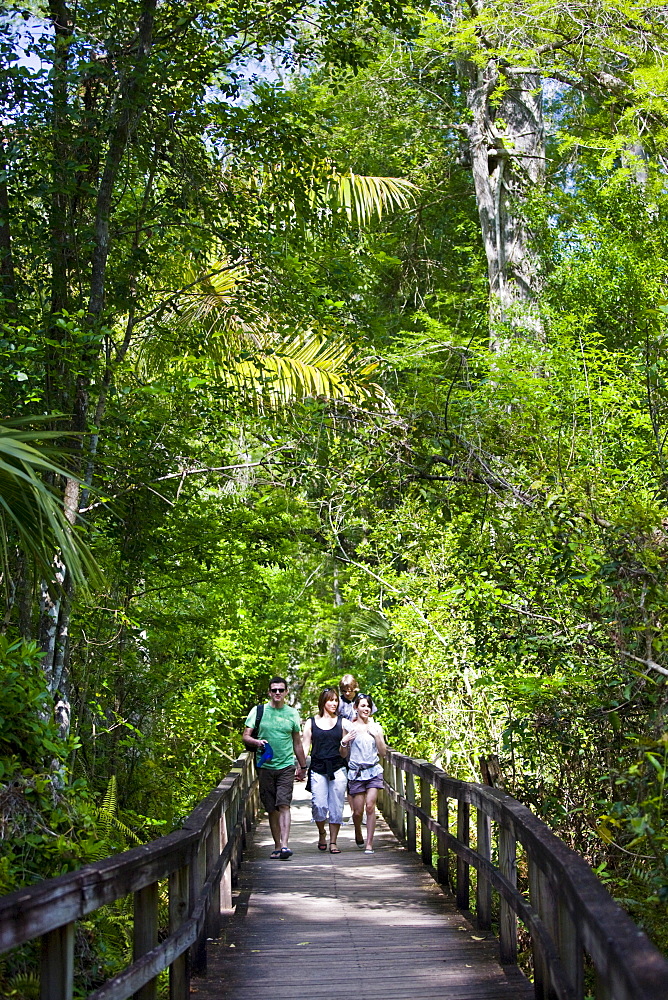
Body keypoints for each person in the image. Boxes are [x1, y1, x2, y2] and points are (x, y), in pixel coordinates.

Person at [243, 677, 307, 859]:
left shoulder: (292, 713)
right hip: (264, 766)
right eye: (274, 690)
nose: (277, 693)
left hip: (286, 765)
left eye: (281, 690)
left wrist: (302, 766)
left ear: (286, 692)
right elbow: (245, 736)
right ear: (269, 692)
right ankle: (277, 845)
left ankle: (285, 845)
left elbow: (297, 742)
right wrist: (257, 742)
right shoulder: (258, 711)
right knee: (271, 808)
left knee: (284, 804)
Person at [302, 688, 349, 854]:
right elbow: (305, 746)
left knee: (336, 806)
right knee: (319, 806)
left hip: (338, 768)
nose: (334, 703)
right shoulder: (311, 722)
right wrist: (300, 766)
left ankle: (333, 842)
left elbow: (345, 753)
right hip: (318, 768)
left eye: (336, 700)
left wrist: (344, 743)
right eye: (331, 700)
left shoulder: (342, 722)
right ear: (323, 702)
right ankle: (322, 832)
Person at [339, 693, 386, 854]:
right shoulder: (349, 727)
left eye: (368, 706)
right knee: (357, 812)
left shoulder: (376, 727)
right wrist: (344, 742)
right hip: (356, 773)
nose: (366, 709)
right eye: (363, 706)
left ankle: (369, 844)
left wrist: (377, 736)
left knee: (370, 806)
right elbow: (343, 755)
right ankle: (358, 830)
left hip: (373, 771)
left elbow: (383, 752)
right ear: (356, 708)